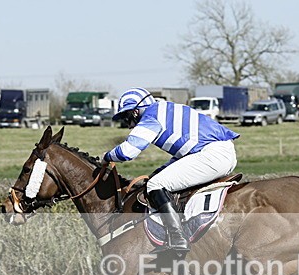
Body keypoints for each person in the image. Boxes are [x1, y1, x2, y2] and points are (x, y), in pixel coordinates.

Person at [103, 87, 240, 255]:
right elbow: (184, 156)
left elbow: (127, 152)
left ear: (136, 111)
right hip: (220, 152)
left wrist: (106, 156)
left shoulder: (151, 117)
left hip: (213, 155)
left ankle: (177, 237)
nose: (129, 125)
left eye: (127, 117)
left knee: (156, 184)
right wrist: (157, 172)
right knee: (157, 180)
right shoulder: (165, 109)